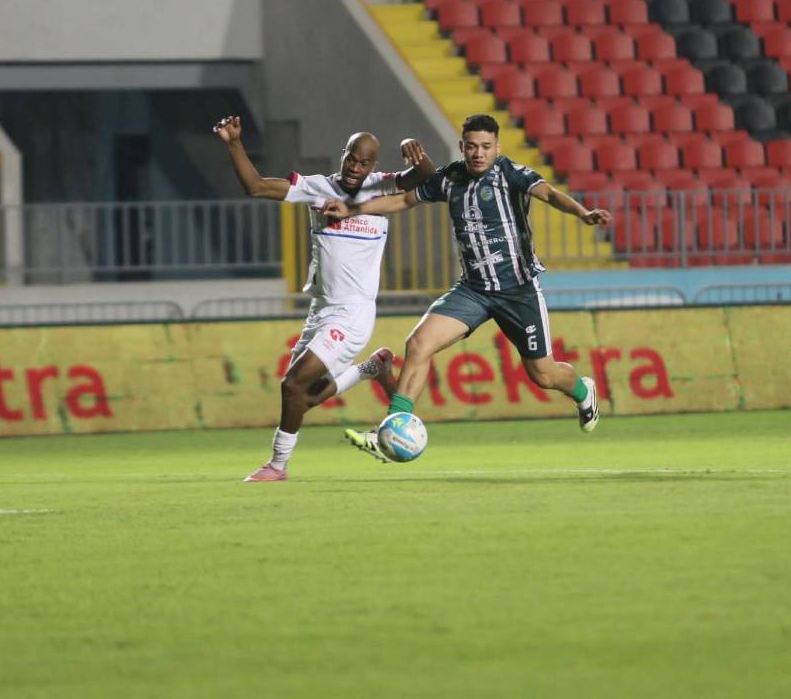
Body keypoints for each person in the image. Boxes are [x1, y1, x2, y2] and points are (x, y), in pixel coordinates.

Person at [321, 114, 612, 461]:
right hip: (473, 290)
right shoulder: (451, 178)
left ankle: (583, 392)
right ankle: (390, 431)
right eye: (472, 146)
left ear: (497, 147)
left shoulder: (509, 173)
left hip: (518, 291)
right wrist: (351, 208)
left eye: (486, 147)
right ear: (462, 147)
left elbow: (548, 193)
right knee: (418, 344)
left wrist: (582, 213)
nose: (478, 153)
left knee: (544, 375)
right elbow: (403, 200)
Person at [212, 115, 437, 482]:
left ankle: (277, 466)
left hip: (353, 315)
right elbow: (255, 187)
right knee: (302, 397)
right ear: (343, 154)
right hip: (321, 312)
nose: (355, 167)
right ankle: (371, 369)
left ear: (373, 166)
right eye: (352, 158)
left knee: (292, 386)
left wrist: (419, 155)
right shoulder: (318, 189)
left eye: (364, 163)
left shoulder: (381, 188)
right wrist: (234, 143)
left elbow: (425, 178)